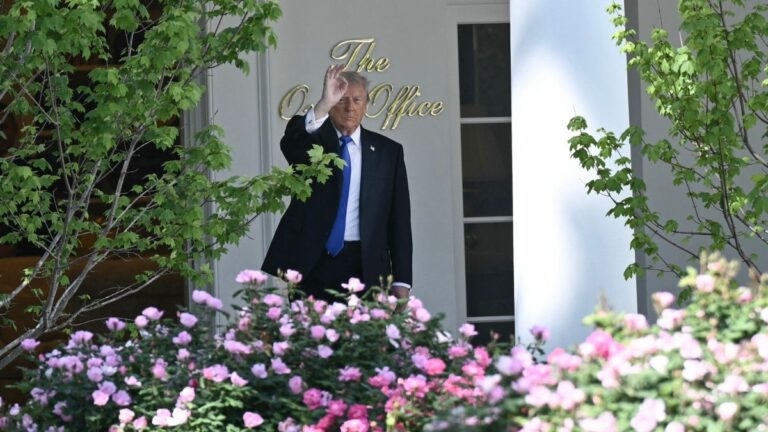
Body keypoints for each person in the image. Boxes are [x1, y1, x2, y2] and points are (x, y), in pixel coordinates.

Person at [262, 65, 412, 301]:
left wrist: (402, 278)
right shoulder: (312, 141)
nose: (350, 107)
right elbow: (291, 143)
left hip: (367, 264)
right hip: (314, 261)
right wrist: (324, 103)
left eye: (357, 100)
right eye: (341, 100)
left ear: (366, 105)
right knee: (310, 326)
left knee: (365, 327)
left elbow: (399, 219)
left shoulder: (388, 152)